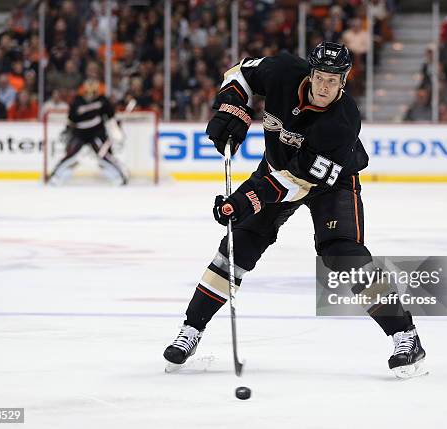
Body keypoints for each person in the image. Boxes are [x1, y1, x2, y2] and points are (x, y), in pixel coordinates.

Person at [163, 42, 427, 379]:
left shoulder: (343, 121)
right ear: (311, 73)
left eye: (333, 81)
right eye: (319, 77)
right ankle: (191, 330)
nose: (323, 86)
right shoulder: (283, 71)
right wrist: (232, 107)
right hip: (277, 169)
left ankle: (405, 335)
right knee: (236, 248)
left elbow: (297, 181)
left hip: (330, 182)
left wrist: (244, 200)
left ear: (343, 82)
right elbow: (241, 73)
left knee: (342, 255)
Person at [47, 78, 129, 186]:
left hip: (97, 133)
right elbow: (71, 119)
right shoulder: (77, 101)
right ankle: (54, 176)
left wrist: (115, 129)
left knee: (103, 156)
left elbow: (110, 117)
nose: (90, 91)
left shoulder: (102, 100)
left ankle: (121, 175)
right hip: (79, 133)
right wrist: (67, 130)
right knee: (70, 155)